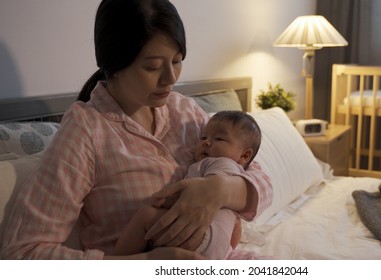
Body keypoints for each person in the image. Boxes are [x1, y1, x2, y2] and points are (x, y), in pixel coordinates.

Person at [0, 0, 272, 260]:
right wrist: (143, 263)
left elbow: (260, 181)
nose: (171, 78)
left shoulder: (185, 111)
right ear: (115, 64)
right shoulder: (86, 131)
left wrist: (219, 190)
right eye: (153, 66)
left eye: (177, 61)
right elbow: (22, 253)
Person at [113, 111, 262, 259]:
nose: (206, 142)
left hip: (201, 233)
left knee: (145, 216)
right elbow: (236, 226)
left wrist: (164, 201)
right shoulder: (237, 179)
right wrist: (225, 251)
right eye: (203, 137)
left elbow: (204, 193)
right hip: (217, 249)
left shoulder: (221, 163)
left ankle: (117, 262)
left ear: (244, 155)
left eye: (219, 139)